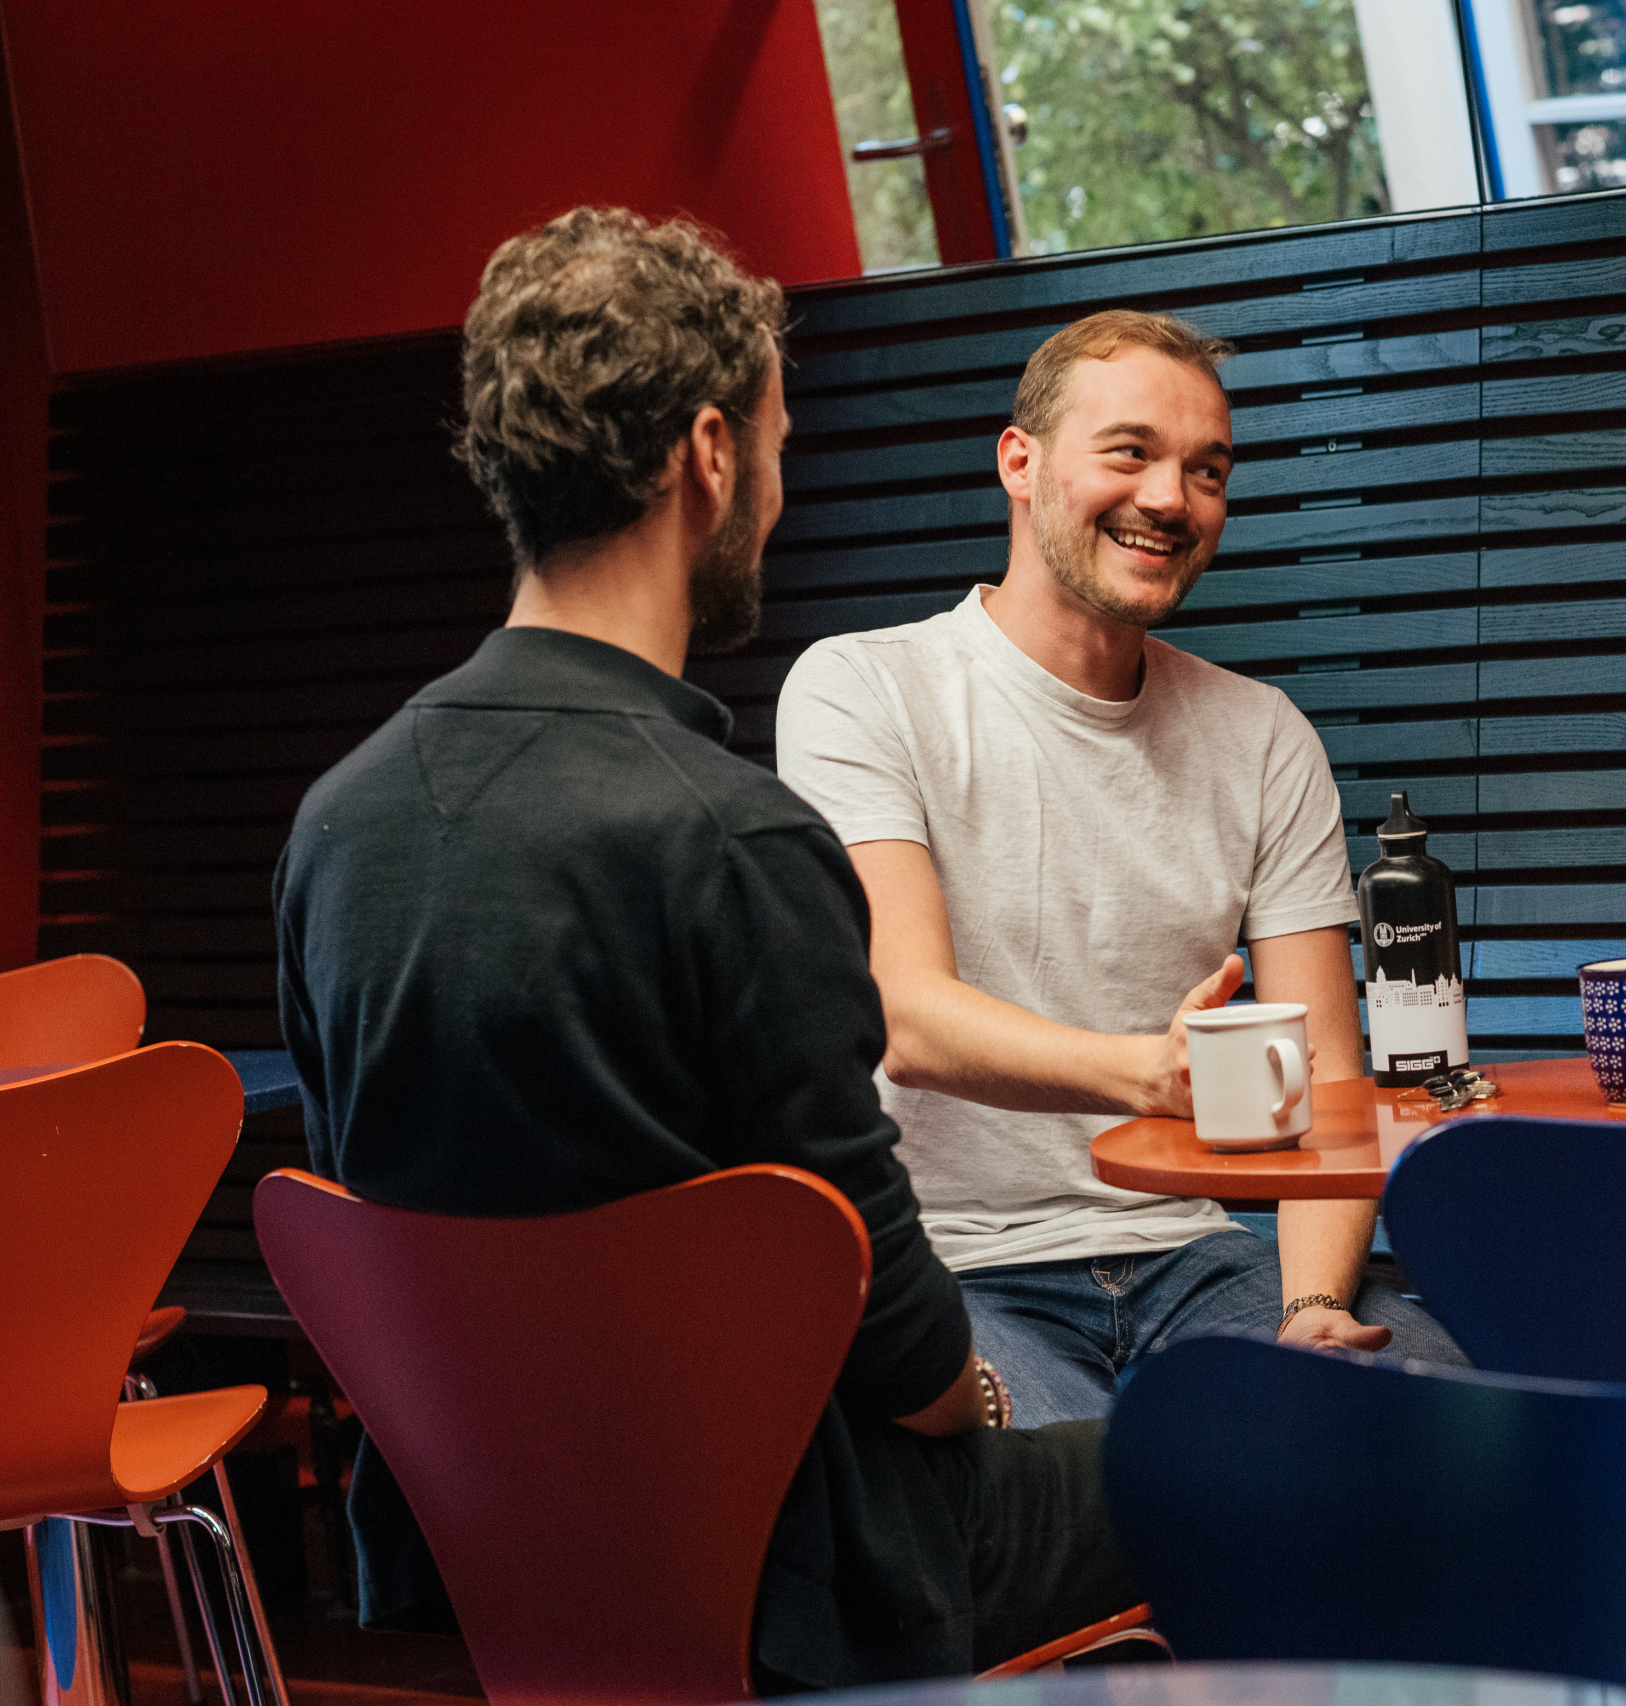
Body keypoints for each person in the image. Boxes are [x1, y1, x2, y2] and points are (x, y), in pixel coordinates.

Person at [274, 208, 1140, 1690]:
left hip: (491, 1556)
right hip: (807, 1567)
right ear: (711, 454)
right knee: (1243, 1466)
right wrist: (978, 1390)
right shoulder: (735, 840)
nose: (779, 489)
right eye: (780, 445)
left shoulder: (335, 827)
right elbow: (896, 1339)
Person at [775, 310, 1463, 1427]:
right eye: (1130, 451)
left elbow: (1330, 1072)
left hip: (1199, 1255)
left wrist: (1311, 1303)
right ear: (1020, 461)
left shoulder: (1261, 732)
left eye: (1207, 469)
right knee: (1064, 1498)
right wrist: (1148, 1073)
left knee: (1424, 1418)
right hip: (957, 1272)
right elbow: (907, 1014)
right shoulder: (862, 688)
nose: (1170, 499)